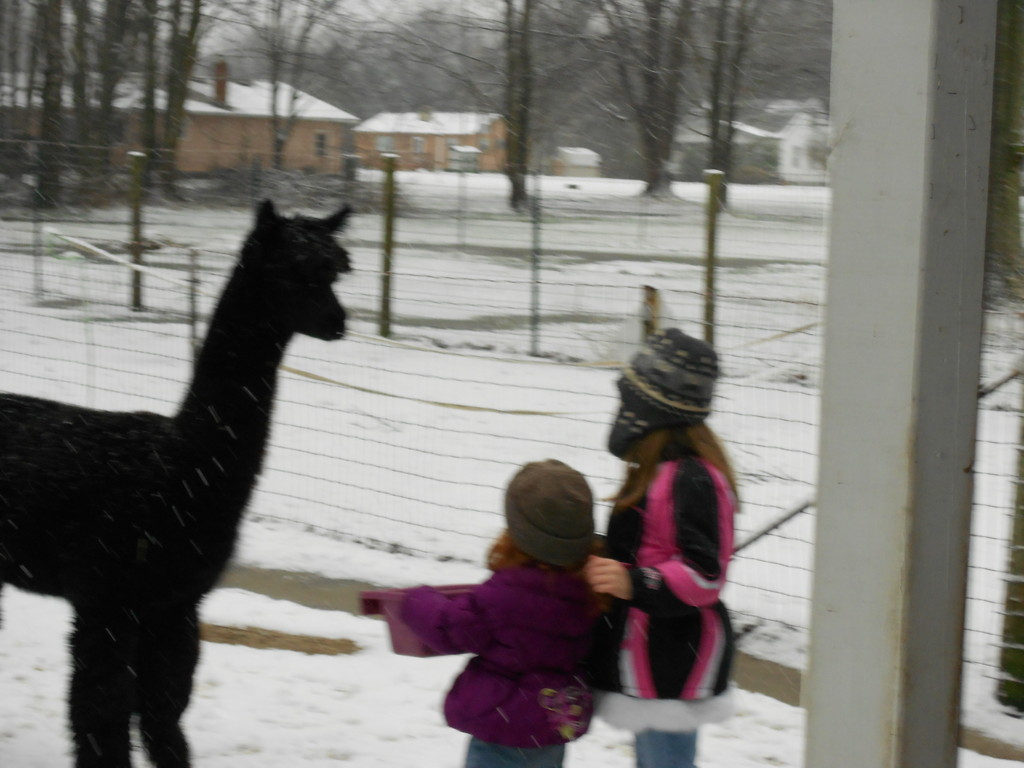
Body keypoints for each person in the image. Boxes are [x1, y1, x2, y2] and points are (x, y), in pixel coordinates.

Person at [584, 328, 738, 768]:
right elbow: (644, 544)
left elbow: (704, 573)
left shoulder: (692, 478)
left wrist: (633, 581)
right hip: (645, 650)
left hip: (672, 654)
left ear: (653, 407)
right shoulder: (654, 470)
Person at [401, 459, 600, 768]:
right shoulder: (588, 591)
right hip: (553, 723)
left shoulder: (503, 595)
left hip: (503, 726)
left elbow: (449, 629)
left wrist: (416, 600)